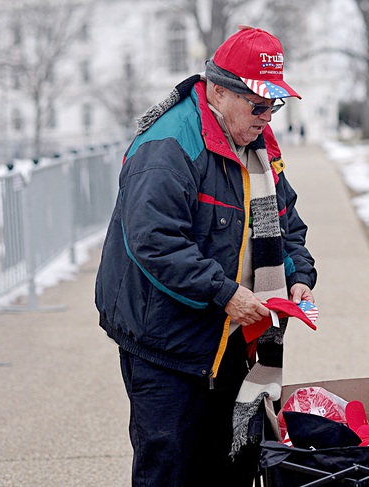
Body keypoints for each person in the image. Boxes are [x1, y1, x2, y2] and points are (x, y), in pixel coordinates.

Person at [95, 26, 317, 486]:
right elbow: (154, 240)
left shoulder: (258, 144)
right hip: (165, 340)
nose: (267, 117)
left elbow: (285, 218)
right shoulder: (170, 144)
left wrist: (299, 274)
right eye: (258, 104)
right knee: (169, 467)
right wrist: (226, 293)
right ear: (218, 90)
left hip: (233, 332)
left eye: (274, 104)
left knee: (232, 461)